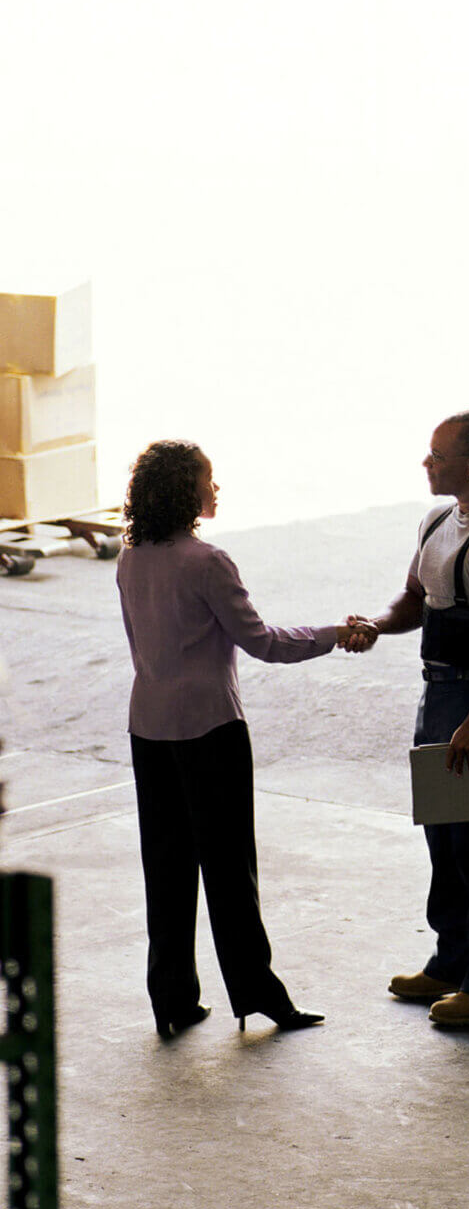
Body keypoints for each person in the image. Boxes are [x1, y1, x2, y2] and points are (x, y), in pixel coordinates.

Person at [117, 439, 374, 1039]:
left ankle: (172, 996)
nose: (216, 488)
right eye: (208, 478)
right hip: (210, 729)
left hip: (148, 726)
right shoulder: (206, 562)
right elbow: (263, 642)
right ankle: (257, 994)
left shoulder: (130, 559)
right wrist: (335, 633)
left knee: (166, 867)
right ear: (186, 489)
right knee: (230, 870)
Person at [345, 411, 469, 1027]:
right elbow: (416, 600)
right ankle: (452, 961)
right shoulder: (437, 520)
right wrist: (378, 624)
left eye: (437, 455)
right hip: (438, 697)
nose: (425, 464)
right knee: (445, 840)